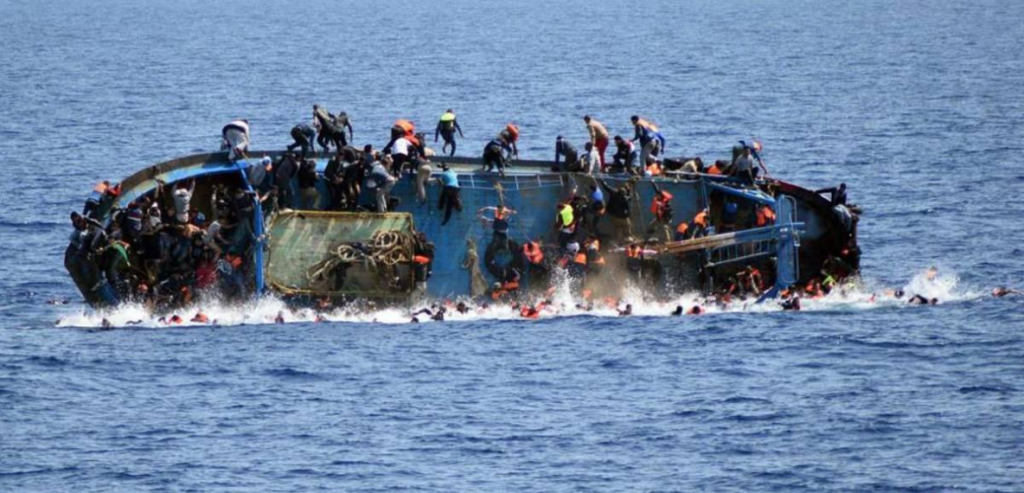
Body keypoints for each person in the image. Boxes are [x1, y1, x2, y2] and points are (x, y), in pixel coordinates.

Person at [599, 179, 633, 245]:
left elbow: (607, 187)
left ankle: (619, 240)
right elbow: (630, 197)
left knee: (618, 227)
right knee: (627, 226)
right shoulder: (624, 198)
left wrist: (602, 181)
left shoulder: (614, 193)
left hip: (614, 215)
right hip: (623, 216)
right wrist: (629, 189)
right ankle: (627, 238)